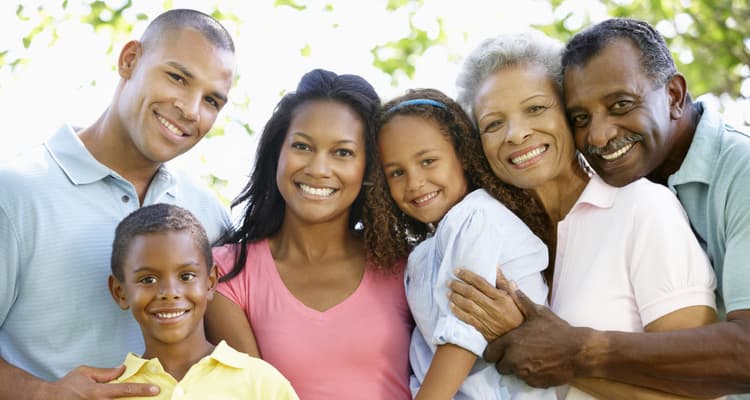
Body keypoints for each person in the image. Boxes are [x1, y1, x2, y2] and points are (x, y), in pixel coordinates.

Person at [453, 17, 750, 399]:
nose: (516, 133)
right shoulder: (496, 235)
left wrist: (568, 354)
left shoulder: (645, 203)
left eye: (536, 108)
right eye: (493, 123)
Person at [0, 9, 235, 399]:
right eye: (178, 77)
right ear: (130, 60)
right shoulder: (16, 195)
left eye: (211, 100)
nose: (192, 110)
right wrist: (43, 393)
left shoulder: (208, 214)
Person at [203, 68, 413, 400]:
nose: (318, 169)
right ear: (278, 154)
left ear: (369, 166)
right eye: (302, 146)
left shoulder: (406, 265)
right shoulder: (227, 273)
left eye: (342, 152)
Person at [364, 88, 554, 399]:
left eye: (428, 161)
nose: (414, 182)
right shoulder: (427, 249)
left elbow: (464, 334)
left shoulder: (476, 216)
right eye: (396, 173)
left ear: (463, 155)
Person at [107, 203, 298, 399]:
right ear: (119, 292)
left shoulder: (262, 384)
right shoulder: (109, 392)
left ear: (210, 281)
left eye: (186, 276)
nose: (170, 293)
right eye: (148, 280)